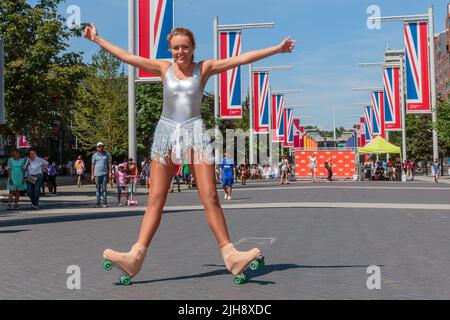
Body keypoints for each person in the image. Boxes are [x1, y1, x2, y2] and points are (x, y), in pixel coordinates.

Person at [84, 23, 295, 284]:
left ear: (193, 48)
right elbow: (127, 57)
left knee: (210, 198)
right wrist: (97, 39)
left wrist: (277, 49)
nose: (180, 52)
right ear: (170, 49)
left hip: (195, 133)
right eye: (175, 47)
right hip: (166, 136)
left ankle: (230, 254)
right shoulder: (163, 68)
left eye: (185, 47)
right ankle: (135, 256)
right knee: (156, 201)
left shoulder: (203, 69)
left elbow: (240, 59)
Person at [91, 142, 111, 208]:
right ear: (97, 147)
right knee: (98, 189)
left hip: (105, 173)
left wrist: (110, 172)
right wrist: (92, 174)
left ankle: (104, 203)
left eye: (101, 146)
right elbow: (93, 165)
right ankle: (98, 203)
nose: (100, 147)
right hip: (96, 174)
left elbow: (109, 164)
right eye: (99, 146)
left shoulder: (107, 154)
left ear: (103, 147)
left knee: (104, 188)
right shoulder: (94, 155)